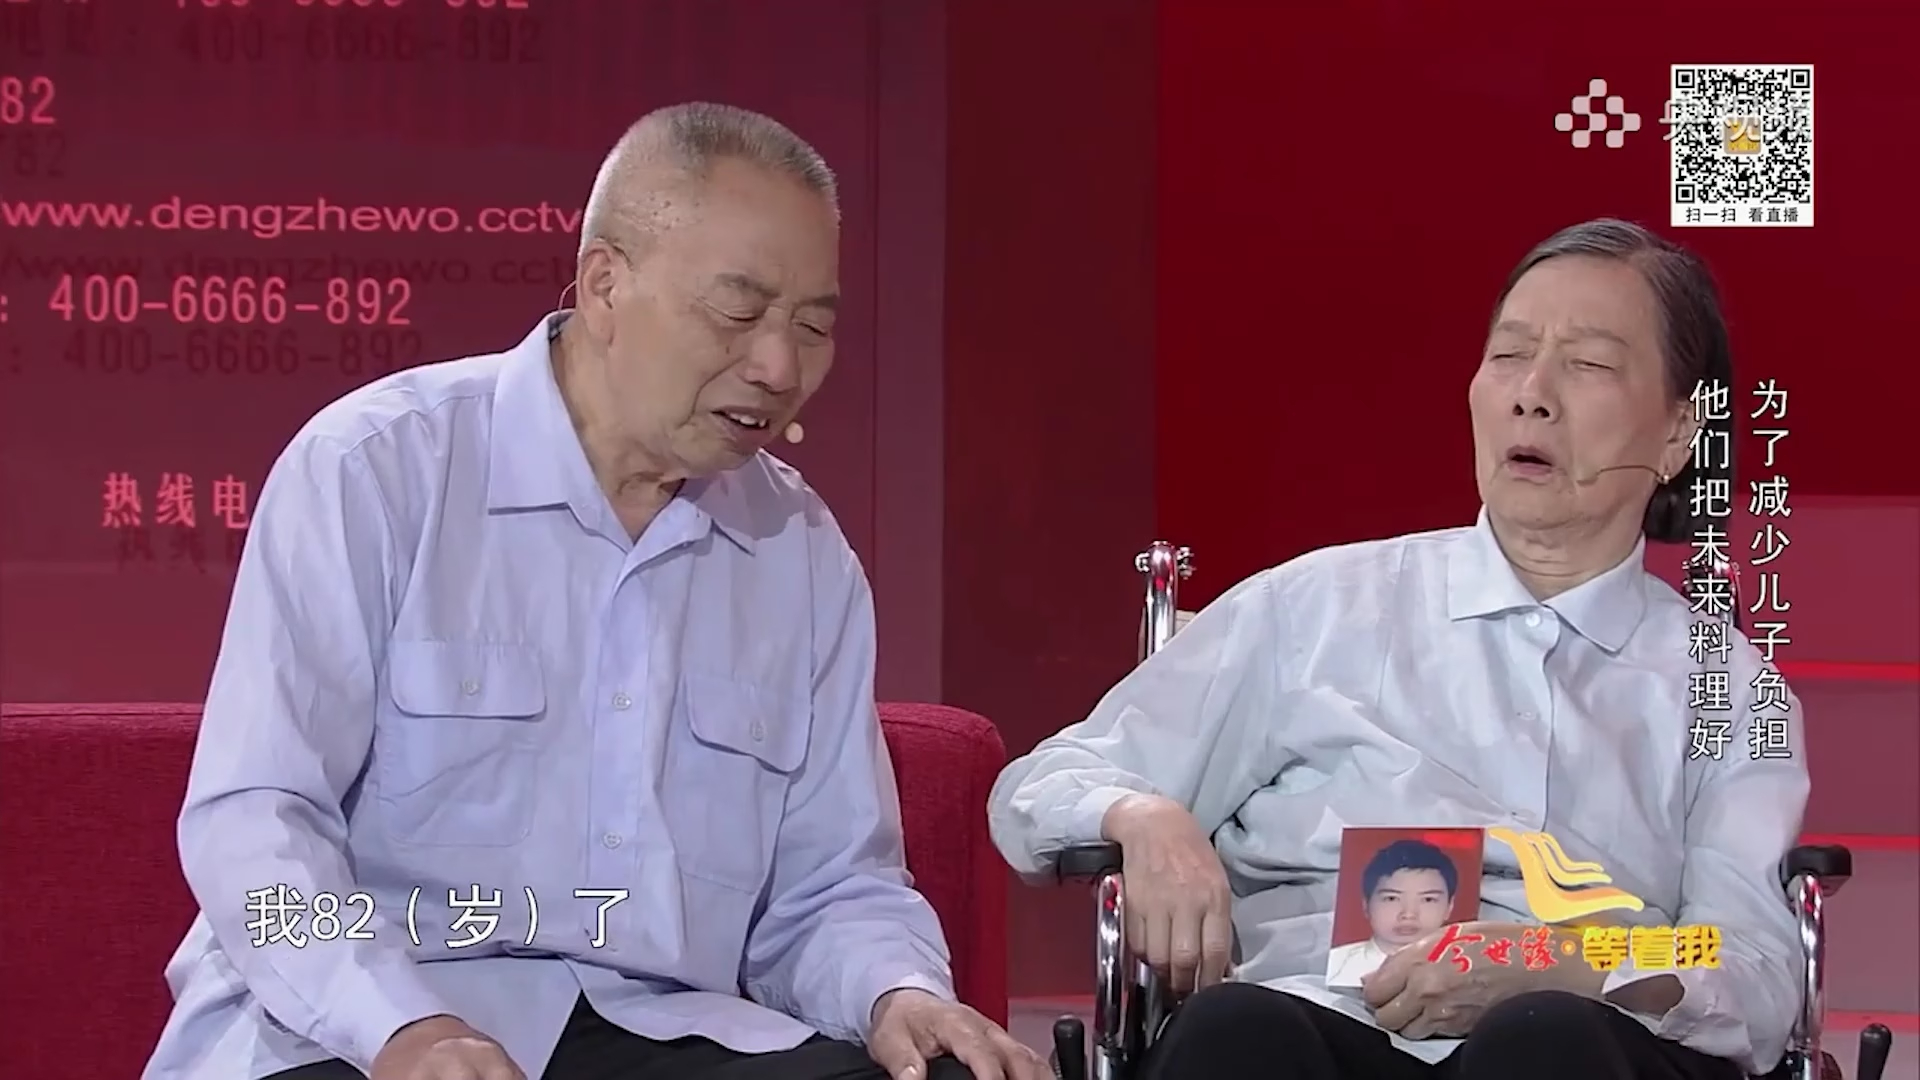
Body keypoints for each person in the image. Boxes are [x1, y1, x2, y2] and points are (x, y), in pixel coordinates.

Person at [143, 103, 1043, 1080]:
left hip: (659, 1032)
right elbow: (258, 819)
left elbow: (829, 888)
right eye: (737, 313)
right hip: (363, 1026)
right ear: (606, 284)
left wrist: (898, 993)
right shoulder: (377, 470)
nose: (779, 367)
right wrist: (401, 1028)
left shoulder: (800, 551)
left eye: (812, 327)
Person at [989, 218, 1806, 1080]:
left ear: (1680, 432)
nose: (1532, 394)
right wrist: (1144, 815)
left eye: (1590, 364)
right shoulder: (1312, 606)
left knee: (1545, 1041)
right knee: (1235, 1035)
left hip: (1581, 1038)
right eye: (1508, 355)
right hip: (1312, 1020)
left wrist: (1569, 963)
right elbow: (1038, 789)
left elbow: (1750, 965)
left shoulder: (1728, 690)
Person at [1325, 840, 1459, 988]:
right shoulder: (1336, 965)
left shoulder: (1464, 969)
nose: (1408, 914)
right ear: (1366, 905)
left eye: (1428, 899)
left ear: (1449, 906)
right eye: (1391, 898)